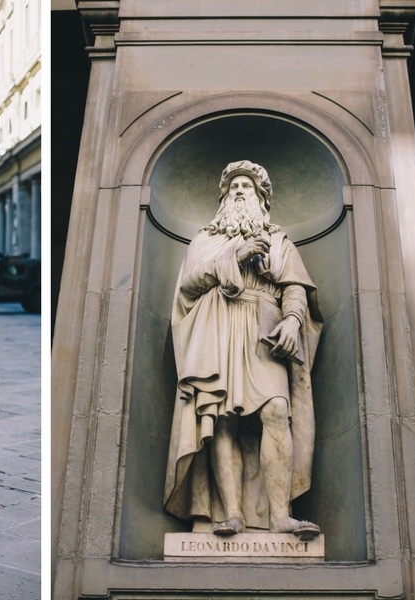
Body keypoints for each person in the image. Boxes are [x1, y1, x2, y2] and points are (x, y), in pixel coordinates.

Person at [163, 160, 323, 540]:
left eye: (246, 186)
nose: (238, 190)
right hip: (218, 327)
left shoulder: (279, 240)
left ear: (260, 198)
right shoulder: (207, 238)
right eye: (233, 185)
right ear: (224, 197)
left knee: (277, 410)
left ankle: (280, 515)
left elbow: (295, 287)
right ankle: (232, 514)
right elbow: (188, 284)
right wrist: (235, 255)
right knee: (221, 419)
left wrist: (293, 321)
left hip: (265, 326)